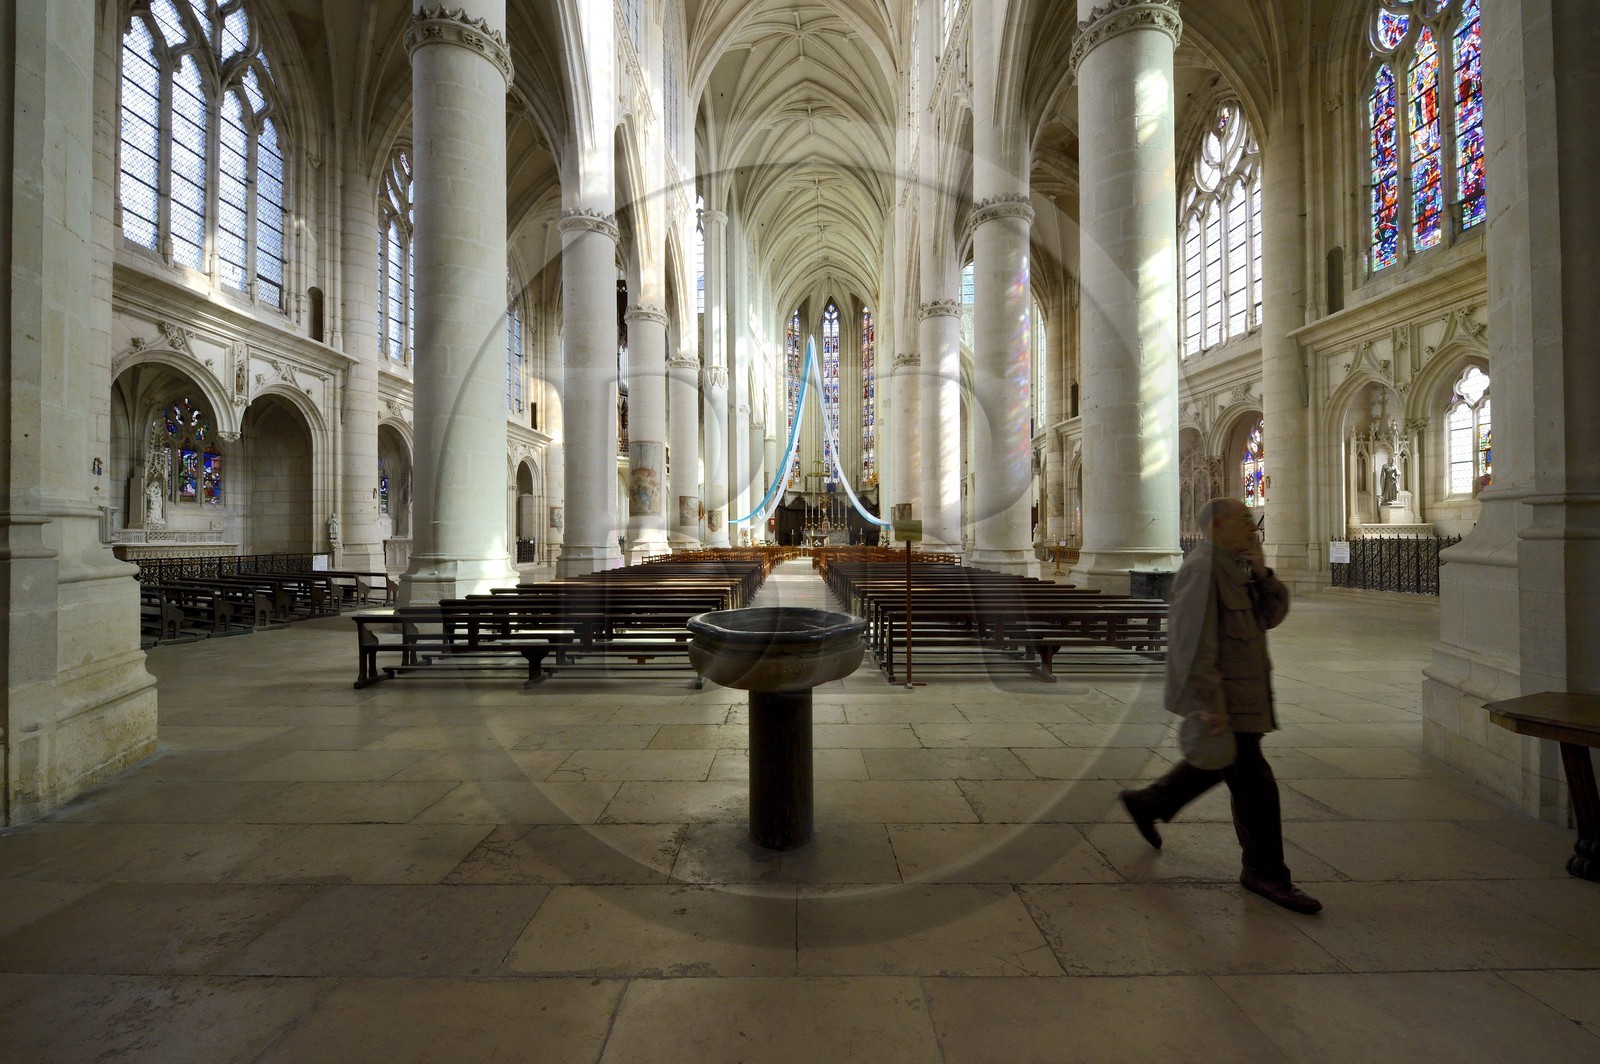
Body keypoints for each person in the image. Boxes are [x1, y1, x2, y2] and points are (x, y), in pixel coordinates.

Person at [1119, 497, 1323, 915]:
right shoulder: (1201, 569)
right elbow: (1189, 642)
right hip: (1226, 698)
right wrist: (1208, 701)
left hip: (1243, 694)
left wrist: (1265, 573)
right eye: (1245, 521)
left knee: (1223, 765)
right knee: (1255, 785)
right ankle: (1265, 872)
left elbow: (1270, 617)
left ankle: (1149, 802)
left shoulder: (1236, 567)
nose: (1254, 528)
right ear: (1216, 527)